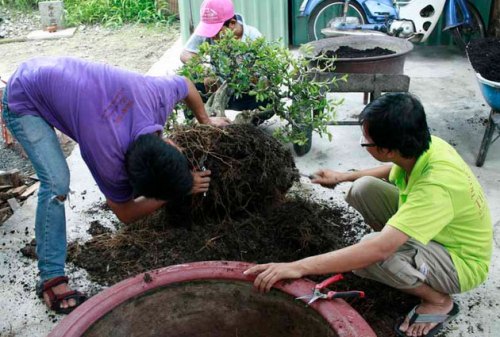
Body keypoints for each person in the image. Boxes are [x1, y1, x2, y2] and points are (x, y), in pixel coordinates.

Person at [244, 93, 492, 337]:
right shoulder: (425, 145)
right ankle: (402, 260)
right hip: (438, 232)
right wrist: (342, 177)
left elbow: (378, 250)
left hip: (461, 262)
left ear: (386, 149)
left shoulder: (435, 188)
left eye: (366, 141)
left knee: (373, 253)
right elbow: (392, 168)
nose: (364, 143)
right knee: (363, 188)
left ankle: (438, 301)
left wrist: (297, 267)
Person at [2, 56, 229, 314]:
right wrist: (178, 190)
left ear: (168, 143)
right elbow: (124, 213)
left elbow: (187, 84)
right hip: (25, 95)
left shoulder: (153, 96)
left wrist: (206, 121)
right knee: (57, 183)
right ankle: (50, 278)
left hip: (55, 79)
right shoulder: (105, 157)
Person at [180, 0, 265, 112]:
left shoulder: (254, 36)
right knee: (186, 83)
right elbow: (185, 54)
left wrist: (251, 77)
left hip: (241, 94)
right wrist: (206, 72)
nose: (212, 36)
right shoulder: (208, 31)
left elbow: (263, 72)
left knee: (267, 98)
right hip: (215, 87)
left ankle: (245, 123)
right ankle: (198, 122)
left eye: (216, 32)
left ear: (232, 23)